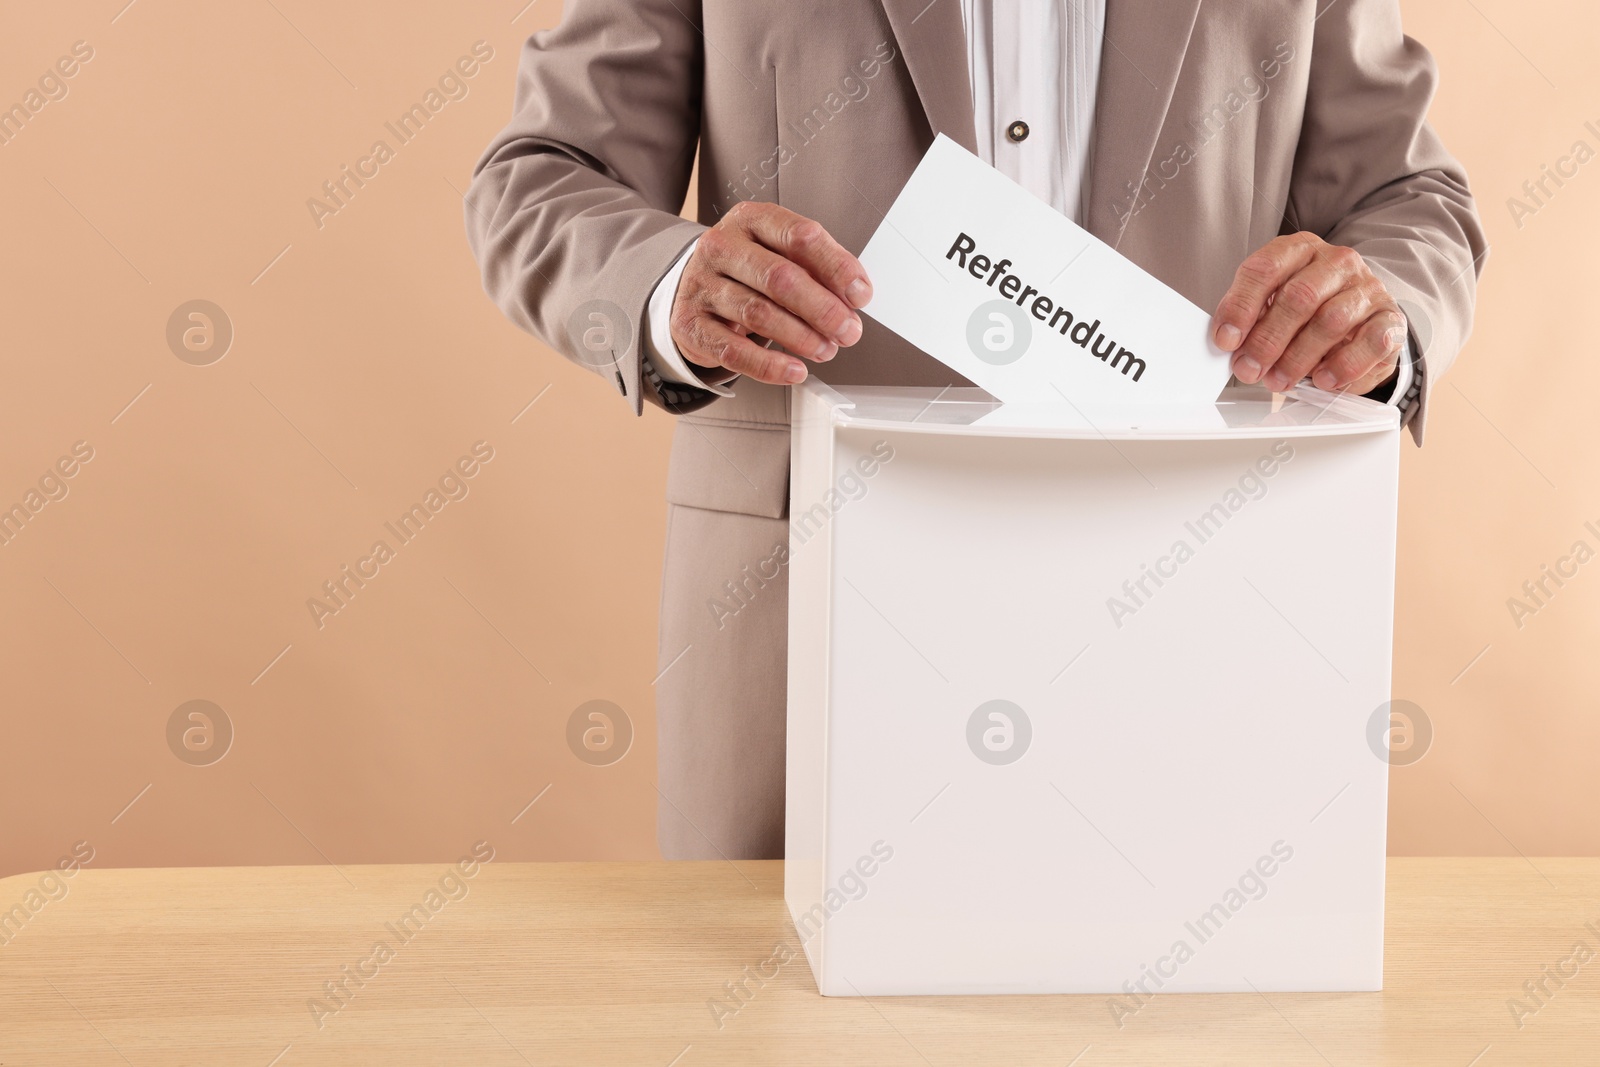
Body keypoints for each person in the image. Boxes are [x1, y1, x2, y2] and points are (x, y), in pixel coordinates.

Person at [464, 0, 1486, 860]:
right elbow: (540, 175)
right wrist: (665, 282)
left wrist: (1377, 301)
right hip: (803, 606)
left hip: (1181, 608)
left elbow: (1410, 194)